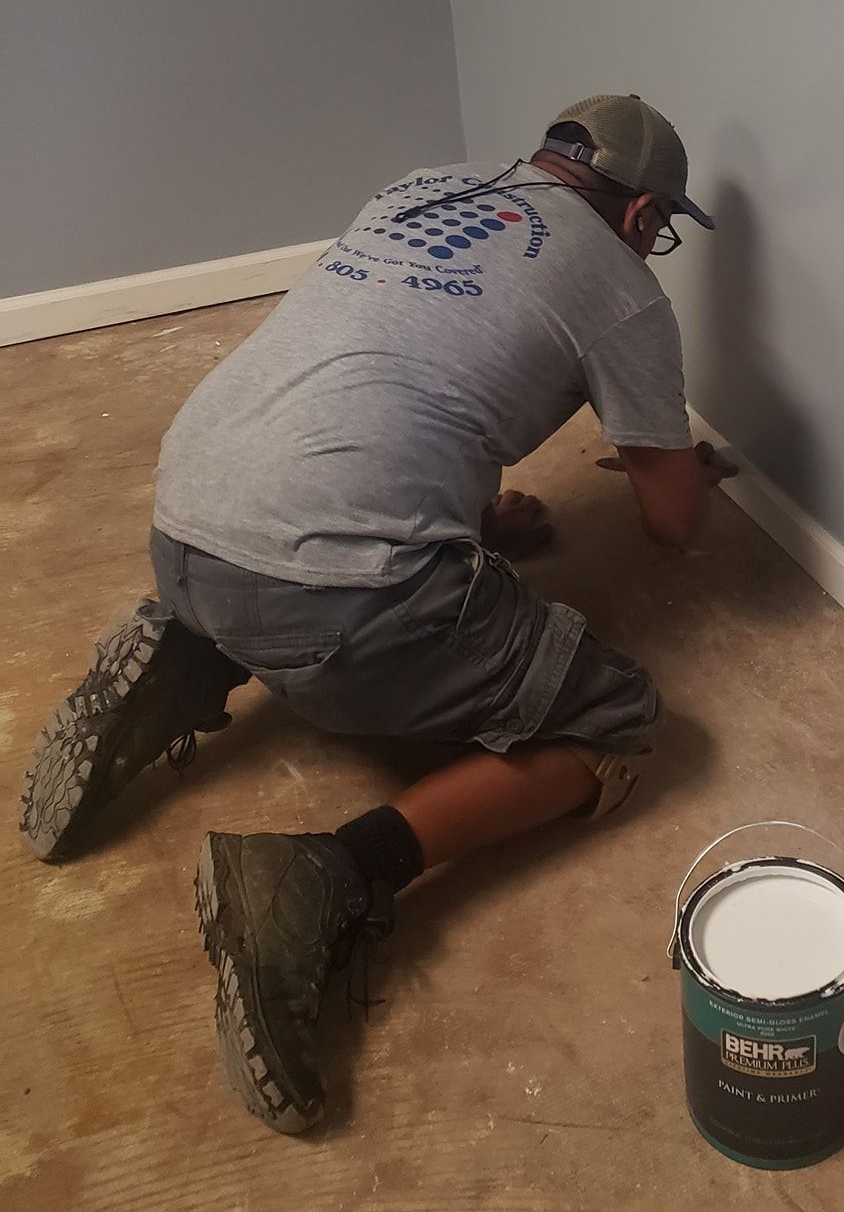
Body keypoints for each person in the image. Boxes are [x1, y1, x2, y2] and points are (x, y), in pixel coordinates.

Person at [19, 94, 735, 1135]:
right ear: (638, 219)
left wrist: (476, 518)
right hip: (339, 597)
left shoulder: (422, 187)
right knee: (617, 723)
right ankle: (331, 872)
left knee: (314, 547)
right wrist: (687, 466)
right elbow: (672, 525)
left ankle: (191, 640)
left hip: (185, 512)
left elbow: (388, 364)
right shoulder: (621, 286)